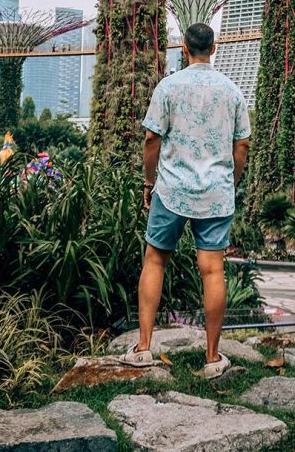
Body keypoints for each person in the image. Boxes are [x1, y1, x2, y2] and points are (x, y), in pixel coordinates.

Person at [120, 22, 251, 379]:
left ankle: (144, 348)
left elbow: (151, 139)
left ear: (183, 47)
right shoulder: (231, 90)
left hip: (171, 190)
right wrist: (231, 182)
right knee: (213, 270)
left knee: (155, 260)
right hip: (216, 193)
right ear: (214, 47)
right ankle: (211, 357)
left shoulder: (168, 87)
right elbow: (242, 144)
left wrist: (150, 182)